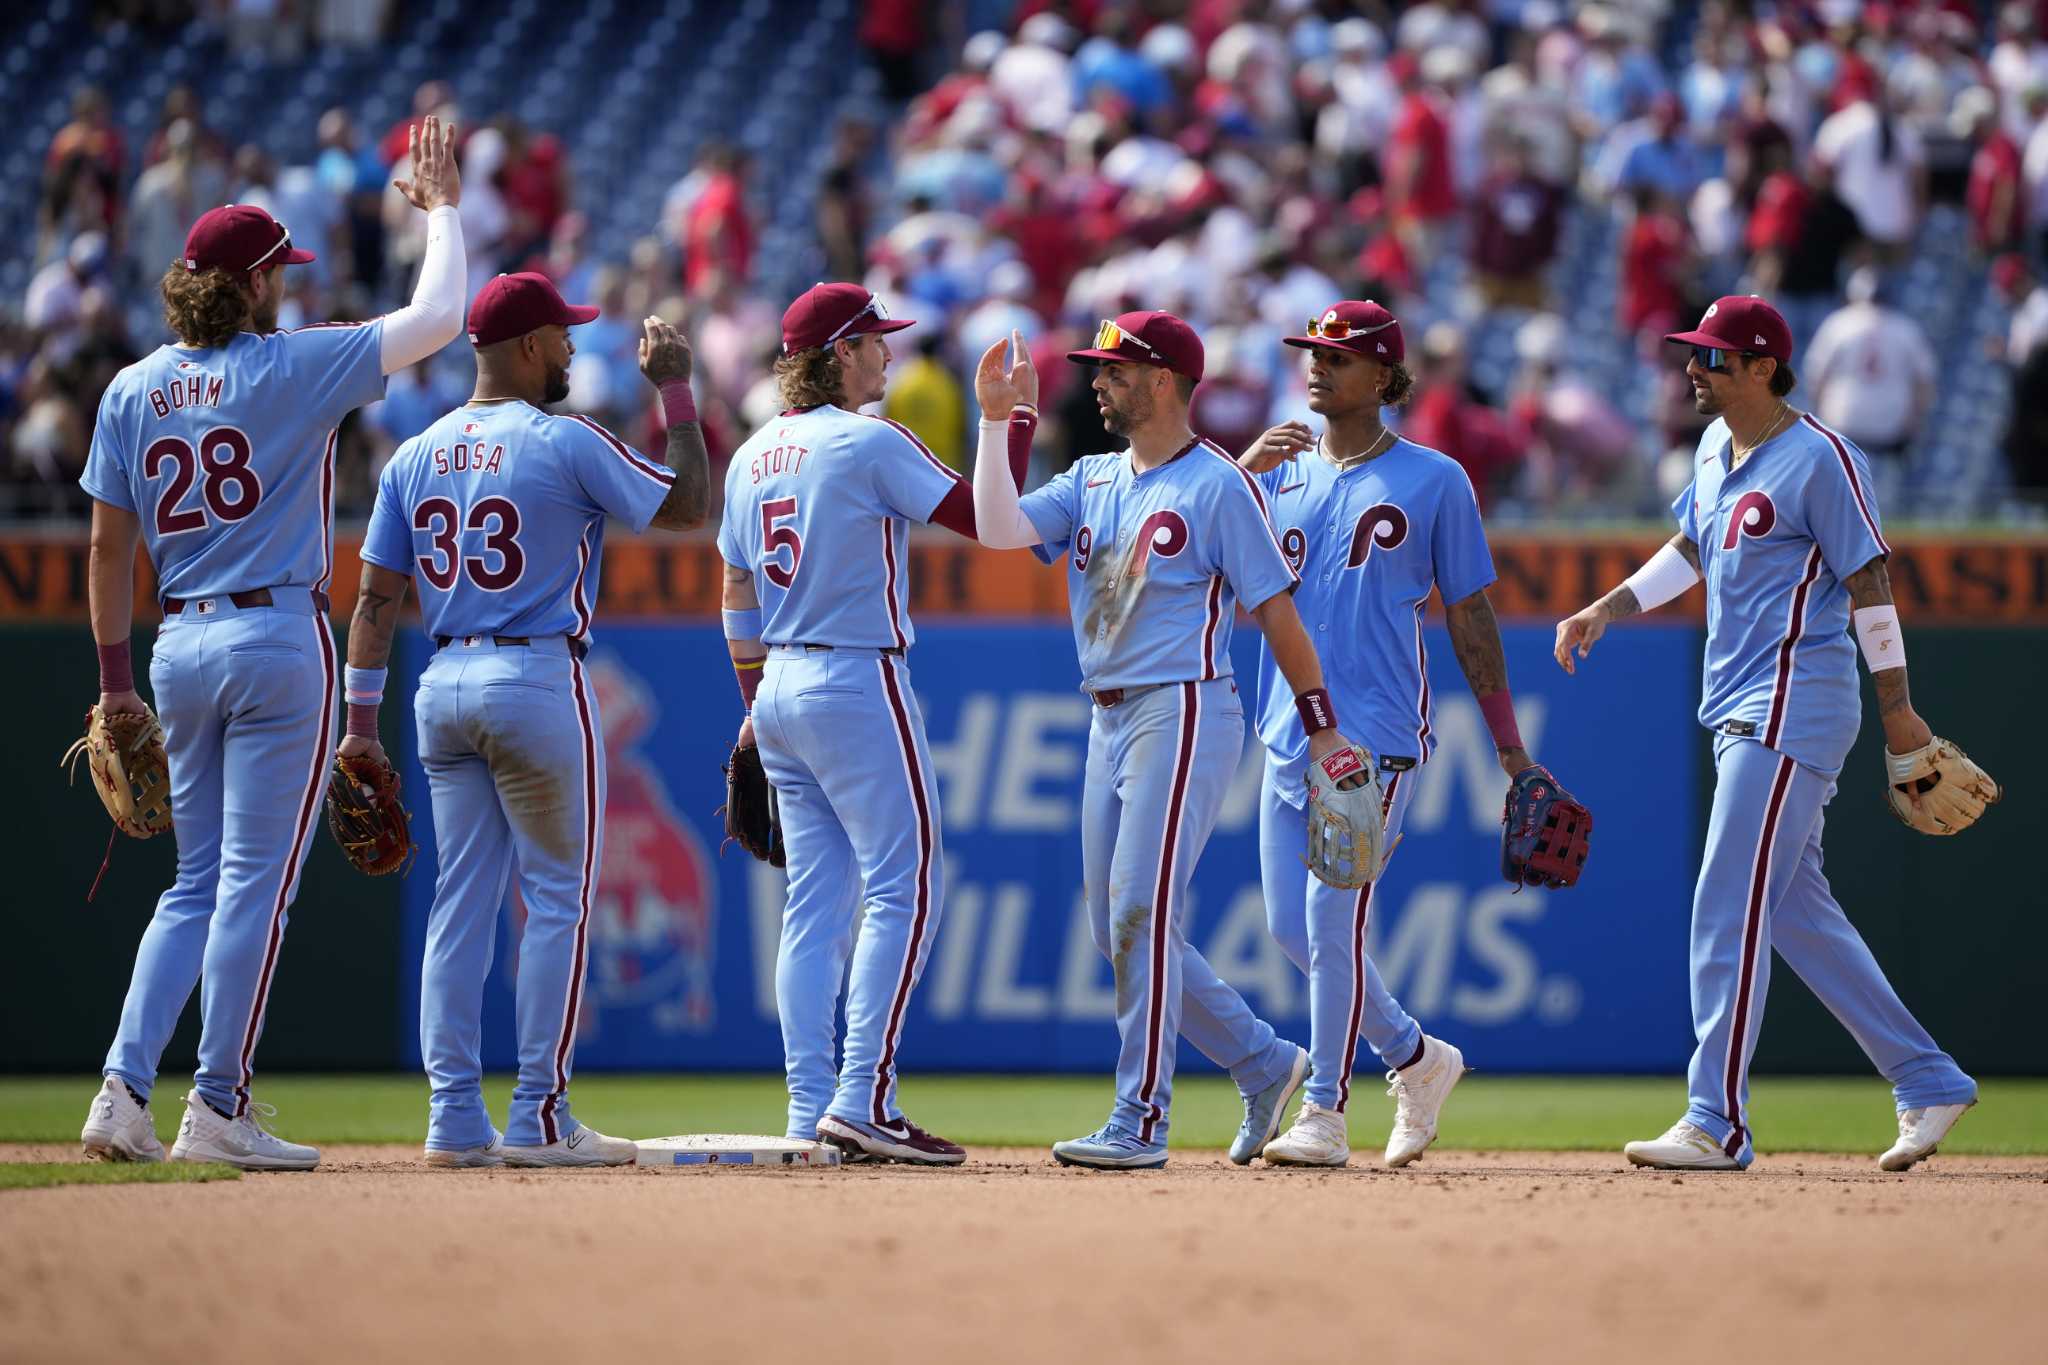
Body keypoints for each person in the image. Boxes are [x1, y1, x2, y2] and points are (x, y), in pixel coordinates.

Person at [76, 118, 468, 1170]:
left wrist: (115, 685)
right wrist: (442, 212)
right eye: (274, 273)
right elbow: (441, 315)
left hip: (174, 643)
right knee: (256, 886)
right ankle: (217, 1105)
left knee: (192, 886)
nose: (284, 286)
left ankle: (120, 1092)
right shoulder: (292, 364)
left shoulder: (130, 387)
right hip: (273, 637)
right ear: (247, 287)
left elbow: (108, 549)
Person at [1554, 295, 1981, 1171]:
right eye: (1694, 355)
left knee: (1724, 897)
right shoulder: (1714, 448)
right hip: (1739, 707)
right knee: (1791, 910)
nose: (1693, 369)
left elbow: (1869, 581)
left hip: (1795, 701)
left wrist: (1899, 707)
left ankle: (1716, 1117)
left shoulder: (1821, 456)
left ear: (1760, 367)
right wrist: (1608, 605)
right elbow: (1688, 548)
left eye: (1712, 357)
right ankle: (1927, 1076)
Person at [969, 310, 1358, 1171]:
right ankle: (1263, 1061)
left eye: (1115, 371)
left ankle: (1140, 1116)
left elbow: (1277, 613)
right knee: (1119, 926)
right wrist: (997, 422)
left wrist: (1321, 724)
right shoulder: (1093, 476)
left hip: (1181, 707)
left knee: (1140, 909)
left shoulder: (1217, 484)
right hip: (1107, 715)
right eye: (1099, 371)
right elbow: (994, 527)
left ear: (1162, 381)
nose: (1098, 383)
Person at [340, 273, 710, 1168]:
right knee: (554, 899)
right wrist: (676, 390)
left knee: (458, 904)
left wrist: (358, 726)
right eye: (565, 335)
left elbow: (375, 601)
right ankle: (539, 1111)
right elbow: (691, 506)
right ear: (531, 346)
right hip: (534, 676)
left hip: (440, 680)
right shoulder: (564, 440)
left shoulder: (414, 453)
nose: (576, 349)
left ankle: (454, 1117)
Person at [1233, 301, 1551, 1166]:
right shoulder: (1278, 467)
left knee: (1331, 924)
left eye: (1337, 356)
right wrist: (1234, 475)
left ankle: (1325, 1114)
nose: (1316, 367)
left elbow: (1471, 614)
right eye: (1312, 353)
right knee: (1292, 933)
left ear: (1382, 376)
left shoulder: (1434, 477)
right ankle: (1416, 1056)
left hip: (1373, 734)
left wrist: (1509, 747)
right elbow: (1216, 581)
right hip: (1285, 727)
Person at [716, 283, 1024, 1165]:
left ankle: (810, 1105)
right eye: (876, 343)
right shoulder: (868, 440)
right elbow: (987, 523)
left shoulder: (748, 455)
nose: (888, 355)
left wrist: (752, 704)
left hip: (776, 684)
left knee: (815, 904)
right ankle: (864, 1098)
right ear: (840, 352)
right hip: (855, 673)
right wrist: (1007, 422)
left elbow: (735, 588)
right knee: (908, 884)